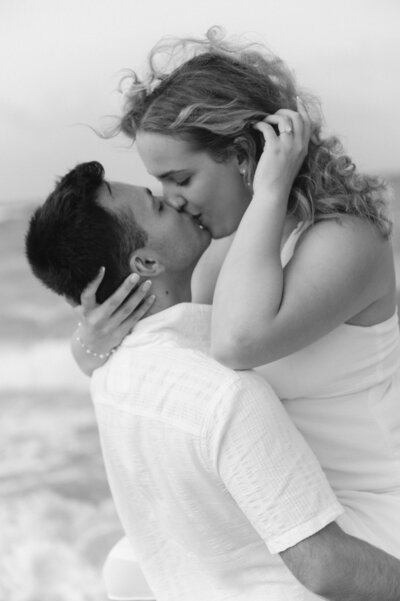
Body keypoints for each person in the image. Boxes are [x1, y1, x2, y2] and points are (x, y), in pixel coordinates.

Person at [69, 26, 400, 560]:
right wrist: (91, 339)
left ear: (247, 153)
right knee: (128, 563)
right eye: (161, 186)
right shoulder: (223, 253)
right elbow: (148, 361)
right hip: (290, 513)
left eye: (181, 178)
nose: (173, 202)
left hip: (372, 515)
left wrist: (270, 190)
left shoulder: (346, 239)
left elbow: (238, 343)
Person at [25, 161, 400, 601]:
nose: (174, 199)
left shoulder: (112, 375)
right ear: (145, 262)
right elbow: (324, 566)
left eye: (180, 179)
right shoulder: (225, 391)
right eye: (161, 202)